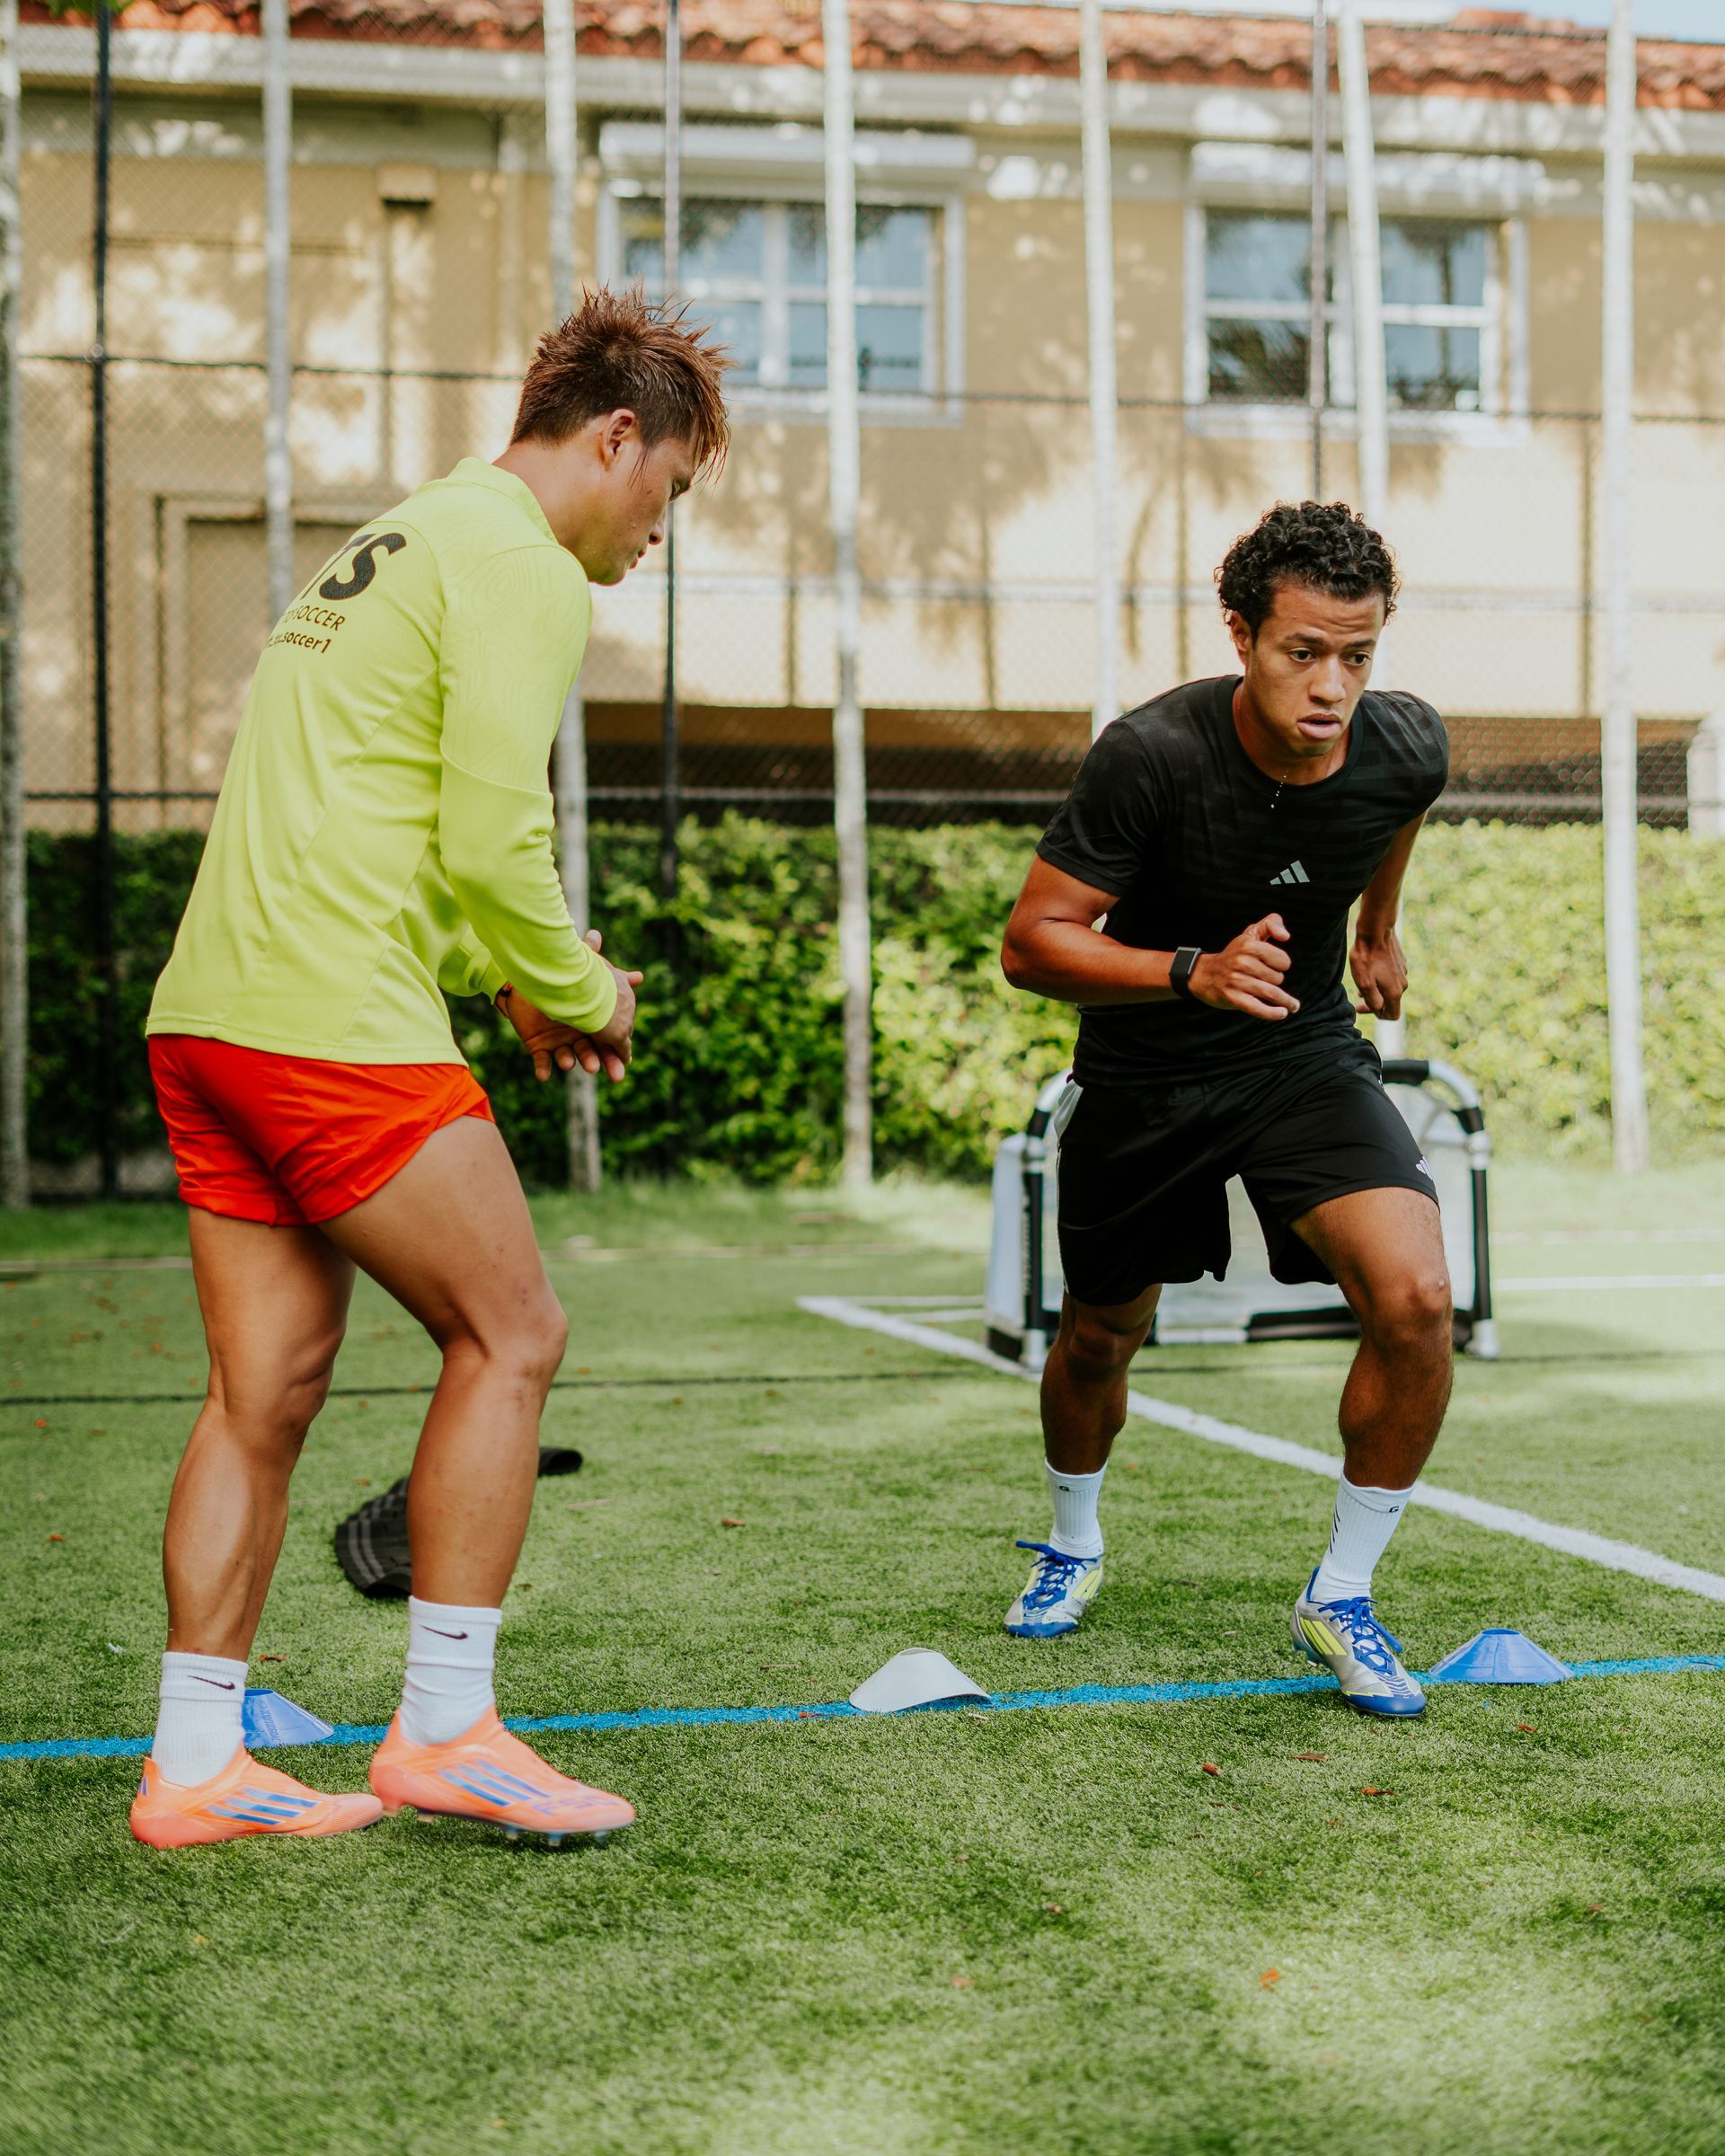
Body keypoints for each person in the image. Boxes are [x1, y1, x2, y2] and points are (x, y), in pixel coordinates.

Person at [129, 289, 730, 1848]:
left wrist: (504, 983)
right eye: (668, 492)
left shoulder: (402, 535)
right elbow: (495, 837)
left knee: (260, 1395)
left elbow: (386, 835)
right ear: (617, 439)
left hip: (212, 1014)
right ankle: (449, 1728)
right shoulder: (523, 563)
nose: (658, 533)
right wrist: (578, 986)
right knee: (512, 1332)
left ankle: (192, 1767)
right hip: (329, 1020)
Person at [998, 500, 1451, 1719]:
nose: (1332, 686)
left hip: (1302, 1055)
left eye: (1357, 656)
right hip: (1146, 1075)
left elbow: (1403, 803)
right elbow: (1032, 943)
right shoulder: (1150, 755)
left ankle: (1341, 1594)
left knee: (1417, 1298)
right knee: (1101, 1336)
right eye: (1303, 652)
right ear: (1243, 635)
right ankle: (1073, 1541)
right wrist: (1188, 971)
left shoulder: (1404, 743)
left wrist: (1377, 927)